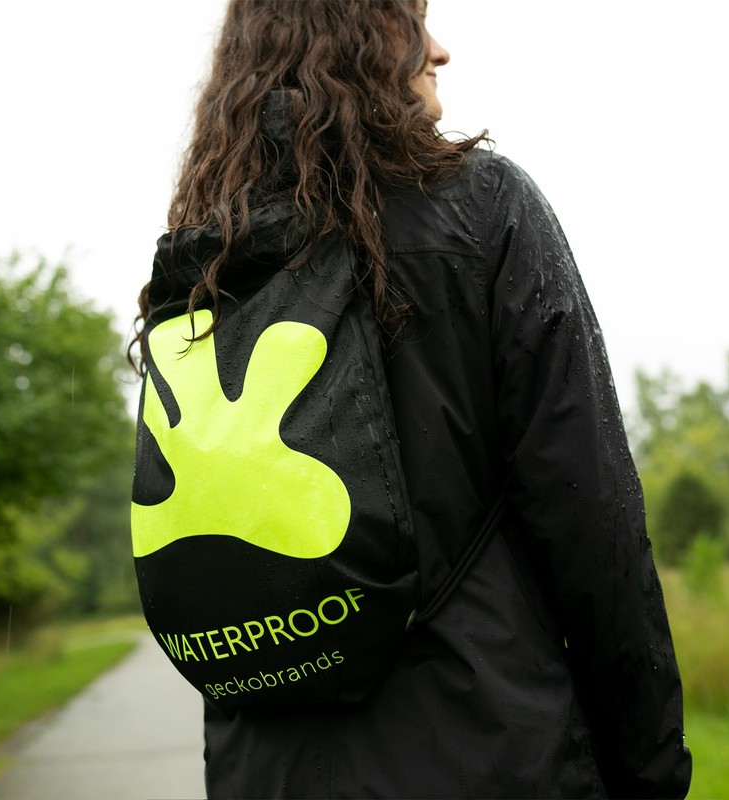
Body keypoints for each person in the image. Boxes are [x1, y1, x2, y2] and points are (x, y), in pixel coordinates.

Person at [132, 1, 692, 797]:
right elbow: (593, 523)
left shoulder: (209, 256)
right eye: (412, 18)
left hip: (264, 775)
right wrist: (652, 770)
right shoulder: (480, 208)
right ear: (355, 37)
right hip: (486, 755)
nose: (439, 49)